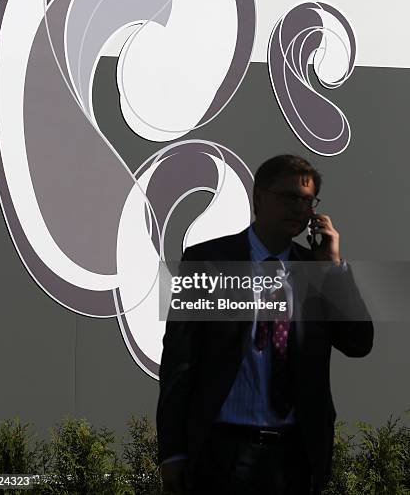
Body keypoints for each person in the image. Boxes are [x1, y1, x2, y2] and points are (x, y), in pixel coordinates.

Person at [157, 154, 373, 495]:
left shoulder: (315, 270)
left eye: (307, 201)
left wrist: (333, 269)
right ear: (259, 197)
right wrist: (172, 452)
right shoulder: (207, 261)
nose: (299, 209)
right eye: (289, 197)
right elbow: (178, 363)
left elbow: (359, 343)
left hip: (294, 458)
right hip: (222, 451)